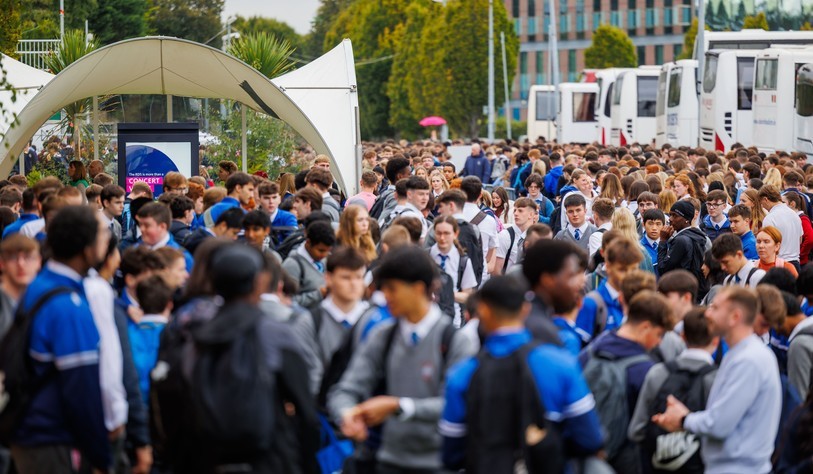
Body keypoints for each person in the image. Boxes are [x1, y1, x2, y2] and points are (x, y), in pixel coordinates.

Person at [164, 243, 320, 472]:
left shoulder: (191, 334)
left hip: (205, 459)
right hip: (268, 458)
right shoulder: (275, 334)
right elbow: (305, 409)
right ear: (260, 282)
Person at [328, 246, 476, 473]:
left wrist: (399, 407)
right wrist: (347, 414)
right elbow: (346, 388)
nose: (385, 296)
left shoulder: (455, 341)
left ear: (418, 289)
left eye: (392, 289)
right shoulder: (383, 336)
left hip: (439, 464)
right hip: (385, 461)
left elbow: (457, 405)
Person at [439, 275, 603, 472]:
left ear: (482, 310)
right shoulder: (562, 364)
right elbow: (590, 438)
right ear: (525, 309)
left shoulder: (461, 376)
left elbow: (452, 455)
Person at [10, 206, 111, 472]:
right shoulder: (69, 306)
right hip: (53, 438)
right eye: (102, 234)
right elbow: (81, 389)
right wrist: (101, 456)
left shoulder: (41, 285)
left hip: (30, 429)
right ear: (86, 247)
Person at [652, 287, 782, 474]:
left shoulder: (749, 360)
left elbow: (719, 424)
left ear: (734, 317)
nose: (708, 313)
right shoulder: (739, 354)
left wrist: (683, 418)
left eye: (715, 308)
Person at [579, 290, 673, 473]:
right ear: (646, 327)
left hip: (587, 456)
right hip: (629, 461)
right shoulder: (647, 370)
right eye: (659, 334)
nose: (659, 342)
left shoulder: (589, 353)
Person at [628, 308, 719, 474]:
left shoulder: (658, 373)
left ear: (682, 336)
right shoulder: (718, 380)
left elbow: (637, 430)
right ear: (716, 340)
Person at [290, 246, 369, 395]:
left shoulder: (373, 321)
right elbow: (308, 373)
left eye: (359, 277)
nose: (353, 284)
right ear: (328, 278)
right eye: (346, 277)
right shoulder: (310, 322)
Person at [522, 239, 582, 345]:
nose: (578, 284)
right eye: (571, 276)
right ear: (547, 280)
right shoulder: (543, 332)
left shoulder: (527, 312)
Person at [585, 238, 644, 335]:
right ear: (608, 267)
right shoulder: (592, 304)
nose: (629, 276)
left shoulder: (640, 300)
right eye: (622, 270)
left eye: (633, 269)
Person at [430, 216, 478, 322]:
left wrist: (446, 294)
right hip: (428, 317)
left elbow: (467, 295)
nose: (442, 238)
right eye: (439, 233)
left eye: (446, 233)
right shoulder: (426, 256)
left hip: (453, 318)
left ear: (455, 234)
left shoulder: (463, 261)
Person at [658, 201, 709, 300]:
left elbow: (663, 269)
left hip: (680, 291)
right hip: (693, 290)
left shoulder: (681, 240)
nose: (671, 219)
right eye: (670, 215)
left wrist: (662, 242)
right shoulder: (699, 235)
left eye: (675, 216)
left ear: (686, 219)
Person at [282, 220, 335, 310]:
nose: (325, 255)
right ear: (308, 243)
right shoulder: (293, 265)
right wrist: (319, 294)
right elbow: (286, 301)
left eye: (328, 251)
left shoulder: (325, 260)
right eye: (321, 250)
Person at [0, 234, 41, 338]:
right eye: (13, 258)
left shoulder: (45, 301)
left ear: (38, 261)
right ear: (2, 263)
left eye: (28, 257)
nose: (21, 263)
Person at [135, 202, 194, 271]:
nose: (142, 229)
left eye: (147, 225)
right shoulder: (134, 252)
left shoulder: (183, 258)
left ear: (162, 227)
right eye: (140, 225)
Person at [760, 185, 803, 271]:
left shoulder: (770, 218)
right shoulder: (795, 215)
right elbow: (800, 240)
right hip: (796, 264)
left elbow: (767, 245)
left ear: (766, 199)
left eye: (761, 202)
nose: (762, 206)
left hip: (779, 265)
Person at [493, 197, 537, 275]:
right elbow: (496, 271)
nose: (515, 213)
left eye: (520, 211)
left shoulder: (537, 236)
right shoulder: (505, 235)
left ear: (531, 215)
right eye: (515, 210)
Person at [641, 209, 665, 274]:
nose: (654, 228)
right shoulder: (638, 247)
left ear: (664, 225)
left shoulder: (668, 245)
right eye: (650, 224)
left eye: (658, 224)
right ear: (643, 224)